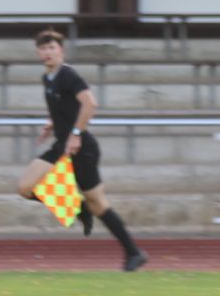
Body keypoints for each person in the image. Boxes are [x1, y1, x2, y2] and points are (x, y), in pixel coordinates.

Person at [16, 29, 148, 272]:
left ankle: (134, 252)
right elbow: (67, 107)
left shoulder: (68, 75)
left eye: (52, 48)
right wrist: (52, 124)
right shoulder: (47, 79)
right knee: (25, 187)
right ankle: (78, 208)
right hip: (62, 146)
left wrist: (76, 134)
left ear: (61, 51)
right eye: (43, 49)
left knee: (98, 204)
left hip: (82, 148)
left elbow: (90, 103)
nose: (47, 53)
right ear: (38, 52)